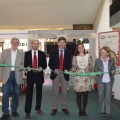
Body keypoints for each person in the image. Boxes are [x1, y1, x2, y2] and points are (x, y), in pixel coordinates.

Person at [0, 37, 24, 120]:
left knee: (16, 94)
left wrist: (22, 67)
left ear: (18, 43)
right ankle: (5, 112)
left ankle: (14, 111)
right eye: (13, 42)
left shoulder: (21, 53)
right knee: (5, 94)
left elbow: (23, 64)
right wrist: (0, 76)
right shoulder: (4, 52)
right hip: (7, 75)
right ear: (11, 43)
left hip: (17, 75)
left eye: (17, 42)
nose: (15, 43)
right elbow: (1, 64)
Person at [24, 39, 47, 120]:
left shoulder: (42, 53)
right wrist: (27, 67)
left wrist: (42, 68)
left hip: (39, 75)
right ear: (31, 44)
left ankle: (38, 108)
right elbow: (25, 64)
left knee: (39, 93)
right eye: (34, 43)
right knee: (29, 94)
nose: (36, 45)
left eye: (37, 44)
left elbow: (45, 65)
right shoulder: (26, 54)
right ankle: (27, 112)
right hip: (30, 75)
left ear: (39, 45)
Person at [49, 36, 71, 116]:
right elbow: (50, 63)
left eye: (63, 42)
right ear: (58, 43)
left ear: (65, 43)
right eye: (60, 42)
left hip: (65, 74)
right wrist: (55, 69)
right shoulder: (53, 52)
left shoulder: (68, 52)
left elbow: (69, 64)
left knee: (64, 92)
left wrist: (67, 69)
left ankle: (64, 107)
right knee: (55, 92)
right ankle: (54, 108)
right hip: (56, 74)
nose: (62, 44)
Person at [72, 43, 93, 117]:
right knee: (78, 94)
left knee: (85, 94)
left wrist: (89, 70)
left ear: (84, 48)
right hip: (78, 78)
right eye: (79, 47)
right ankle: (80, 111)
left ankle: (84, 110)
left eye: (82, 47)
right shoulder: (75, 57)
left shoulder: (89, 56)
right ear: (77, 49)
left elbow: (91, 66)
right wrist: (73, 70)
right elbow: (73, 68)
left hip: (86, 78)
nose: (80, 48)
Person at [94, 46, 116, 117]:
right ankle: (102, 110)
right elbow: (95, 70)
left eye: (103, 52)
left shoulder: (112, 59)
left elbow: (114, 69)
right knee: (101, 96)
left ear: (107, 53)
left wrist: (113, 71)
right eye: (101, 52)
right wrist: (98, 72)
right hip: (100, 80)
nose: (101, 53)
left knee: (108, 96)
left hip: (109, 80)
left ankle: (107, 111)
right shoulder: (97, 60)